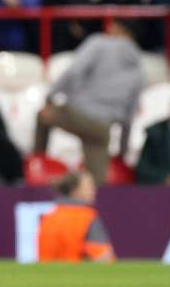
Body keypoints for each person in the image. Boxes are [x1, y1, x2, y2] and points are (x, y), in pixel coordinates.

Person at [34, 20, 143, 185]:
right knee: (95, 184)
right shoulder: (138, 67)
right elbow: (128, 117)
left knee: (42, 116)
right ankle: (93, 197)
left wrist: (51, 97)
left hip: (77, 114)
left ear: (117, 28)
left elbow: (74, 72)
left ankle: (38, 162)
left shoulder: (99, 43)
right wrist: (122, 152)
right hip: (101, 128)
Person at [38, 170, 115, 263]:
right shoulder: (87, 217)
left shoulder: (48, 217)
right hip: (76, 271)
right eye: (89, 186)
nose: (94, 190)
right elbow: (103, 257)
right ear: (75, 190)